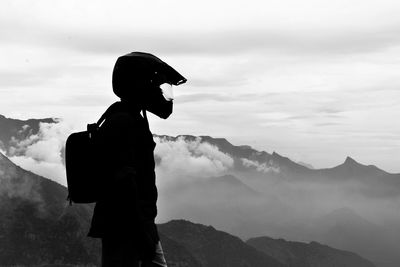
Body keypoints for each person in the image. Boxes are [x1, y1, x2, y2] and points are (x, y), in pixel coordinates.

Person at [87, 52, 187, 266]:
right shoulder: (124, 122)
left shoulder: (125, 118)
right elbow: (124, 183)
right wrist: (144, 234)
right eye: (161, 87)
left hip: (131, 226)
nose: (165, 96)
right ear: (141, 86)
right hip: (127, 228)